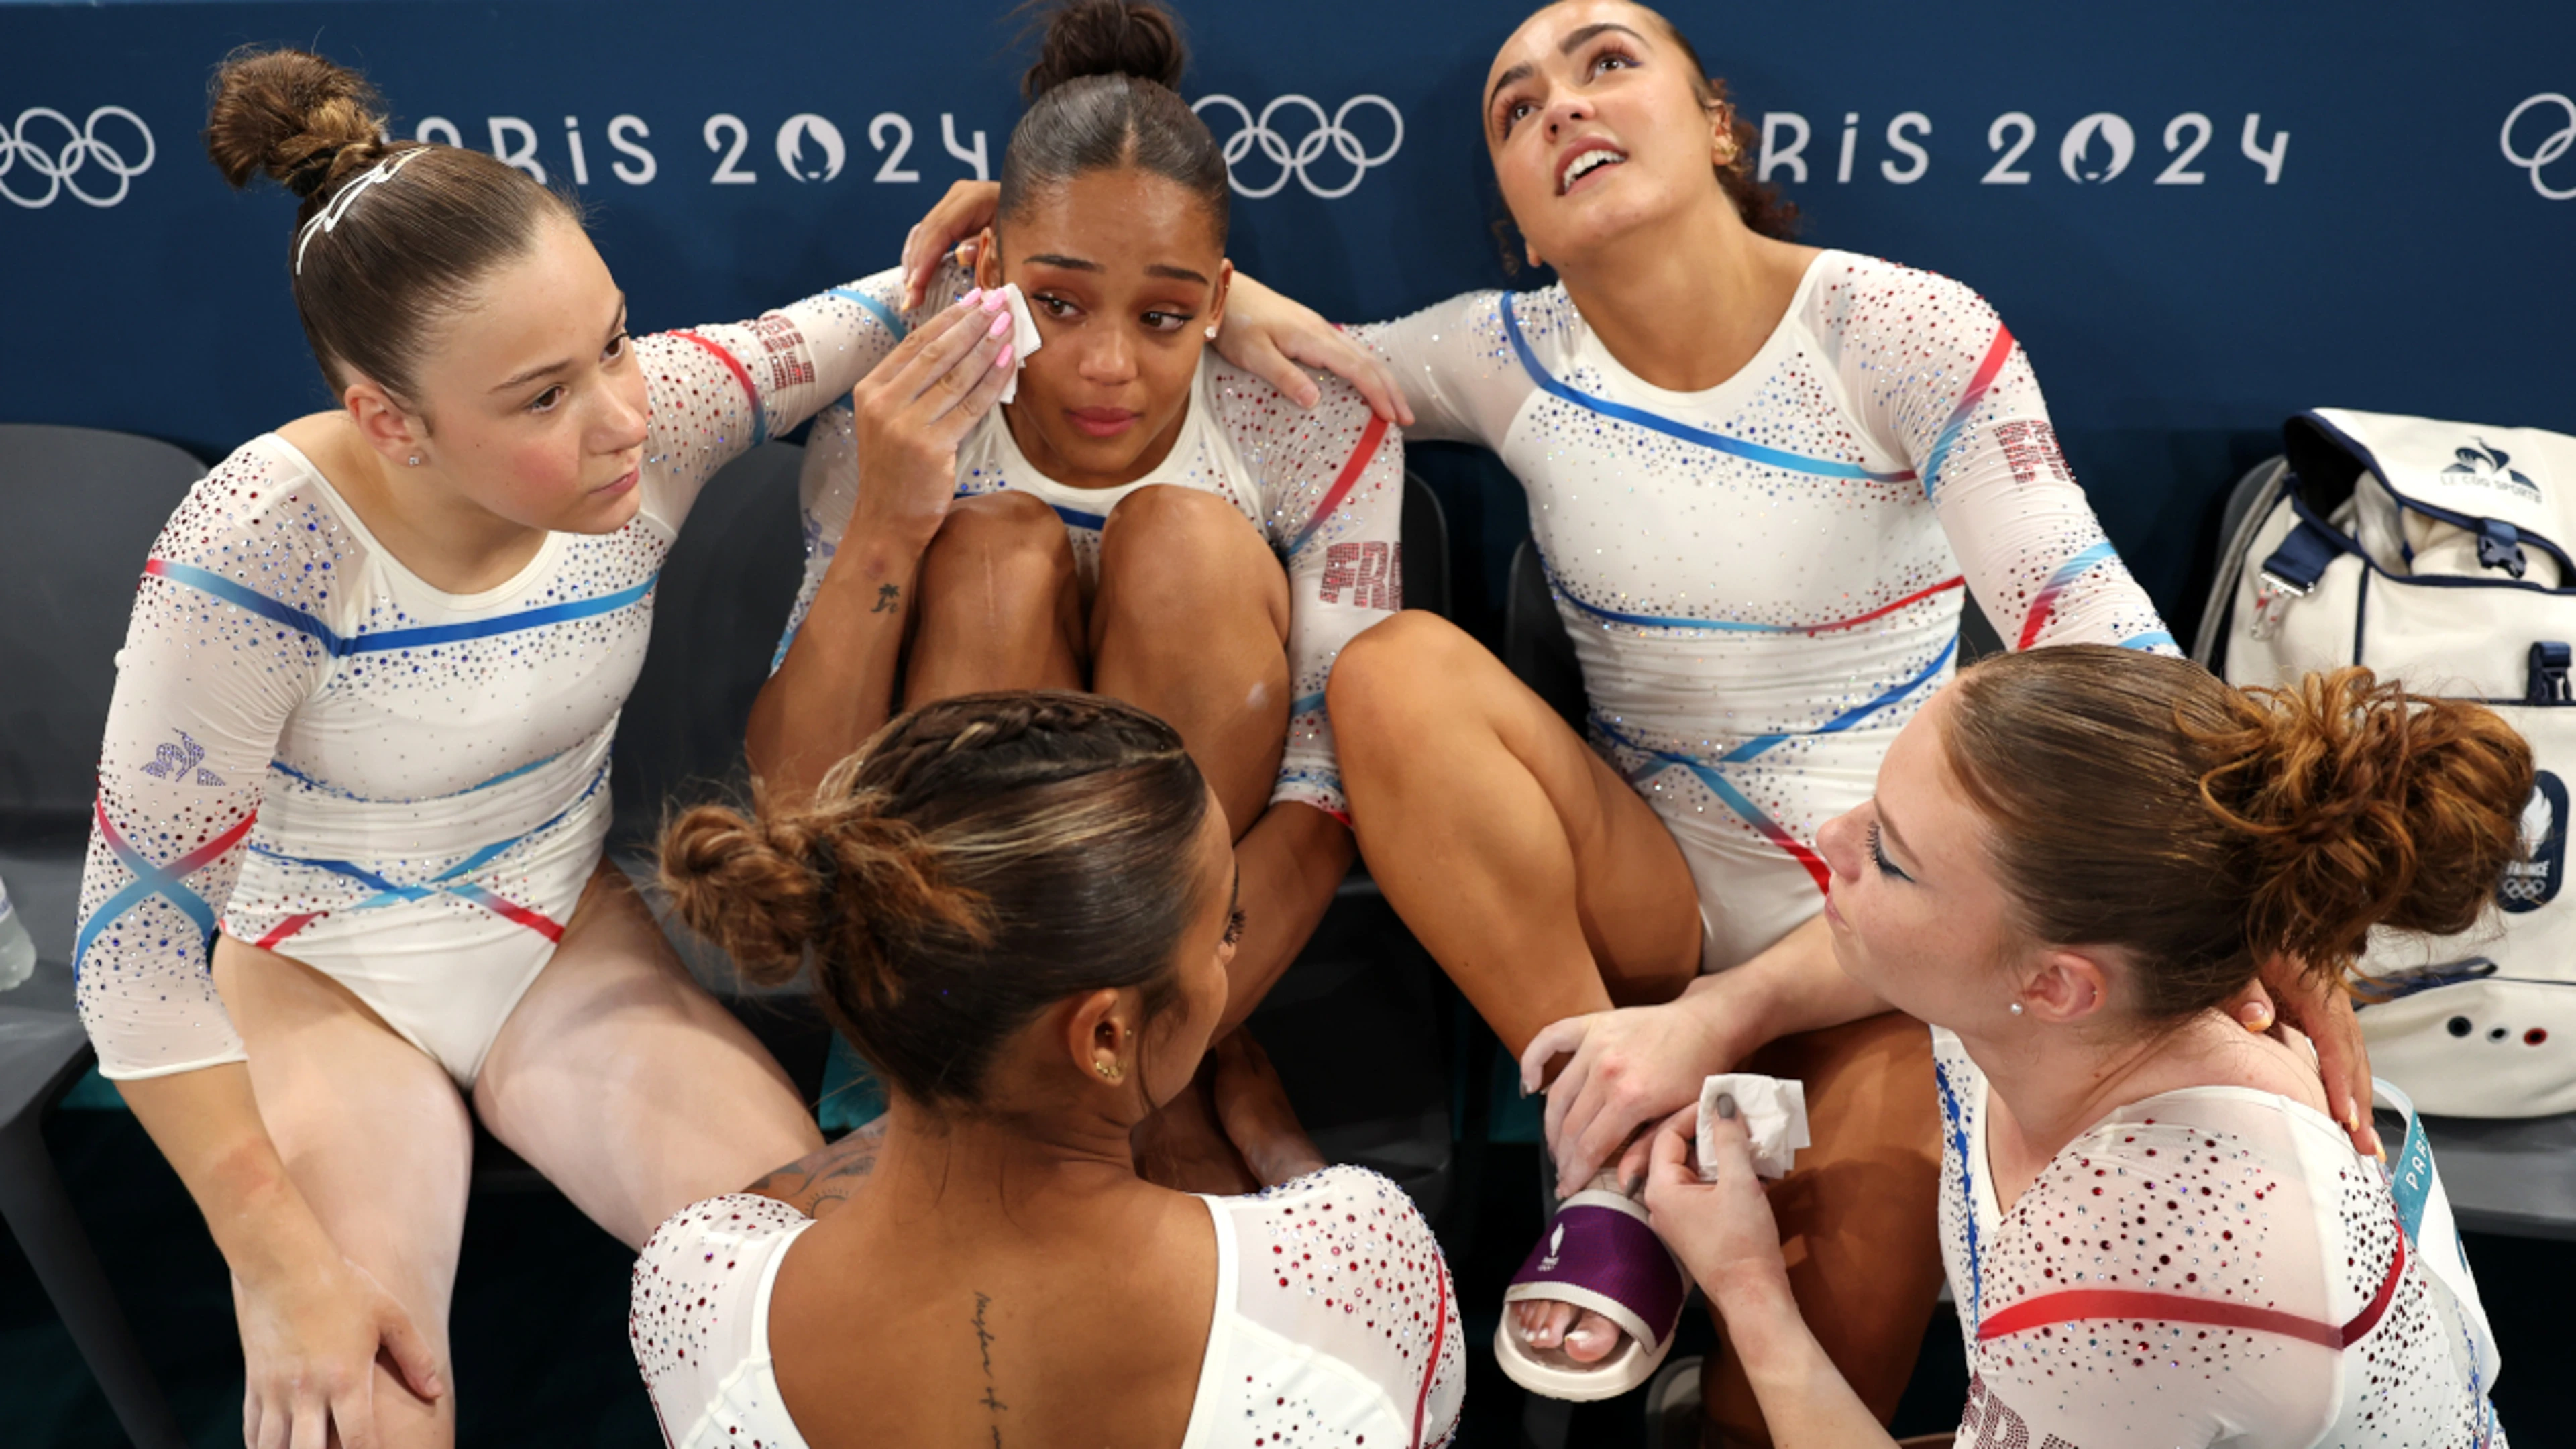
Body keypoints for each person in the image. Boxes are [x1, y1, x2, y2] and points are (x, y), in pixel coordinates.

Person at [893, 0, 2359, 1428]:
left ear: (1717, 125)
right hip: (1648, 913)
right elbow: (1238, 333)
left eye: (1606, 61)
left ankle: (1667, 1248)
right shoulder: (1501, 351)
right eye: (1517, 107)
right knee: (1394, 671)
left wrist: (2261, 890)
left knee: (1801, 1384)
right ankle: (1611, 1159)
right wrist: (1016, 266)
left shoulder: (1901, 327)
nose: (1563, 106)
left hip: (1893, 940)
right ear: (1524, 222)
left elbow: (2091, 622)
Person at [69, 50, 965, 1448]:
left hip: (559, 934)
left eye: (615, 340)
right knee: (358, 1415)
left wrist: (1237, 297)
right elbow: (129, 960)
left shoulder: (662, 412)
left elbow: (930, 295)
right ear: (391, 423)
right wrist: (282, 1265)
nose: (621, 416)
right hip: (315, 971)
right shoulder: (258, 545)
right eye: (543, 398)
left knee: (834, 1306)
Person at [1637, 647, 2518, 1448]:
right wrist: (1719, 1011)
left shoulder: (2140, 1248)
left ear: (2057, 986)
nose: (1832, 837)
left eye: (1891, 858)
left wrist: (1746, 1285)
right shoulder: (2087, 974)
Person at [753, 0, 1401, 1061]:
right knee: (995, 554)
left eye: (1162, 317)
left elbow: (1323, 798)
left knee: (1184, 547)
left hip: (1196, 975)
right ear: (987, 273)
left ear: (1220, 299)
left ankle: (1147, 1092)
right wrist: (883, 528)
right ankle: (992, 1074)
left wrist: (1163, 1053)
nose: (1108, 367)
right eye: (1058, 304)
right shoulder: (909, 394)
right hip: (956, 978)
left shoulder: (1307, 414)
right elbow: (795, 803)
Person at [635, 691, 1464, 1449]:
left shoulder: (700, 1294)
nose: (1230, 958)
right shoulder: (1349, 1262)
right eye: (1226, 931)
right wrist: (1284, 1154)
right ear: (1105, 1035)